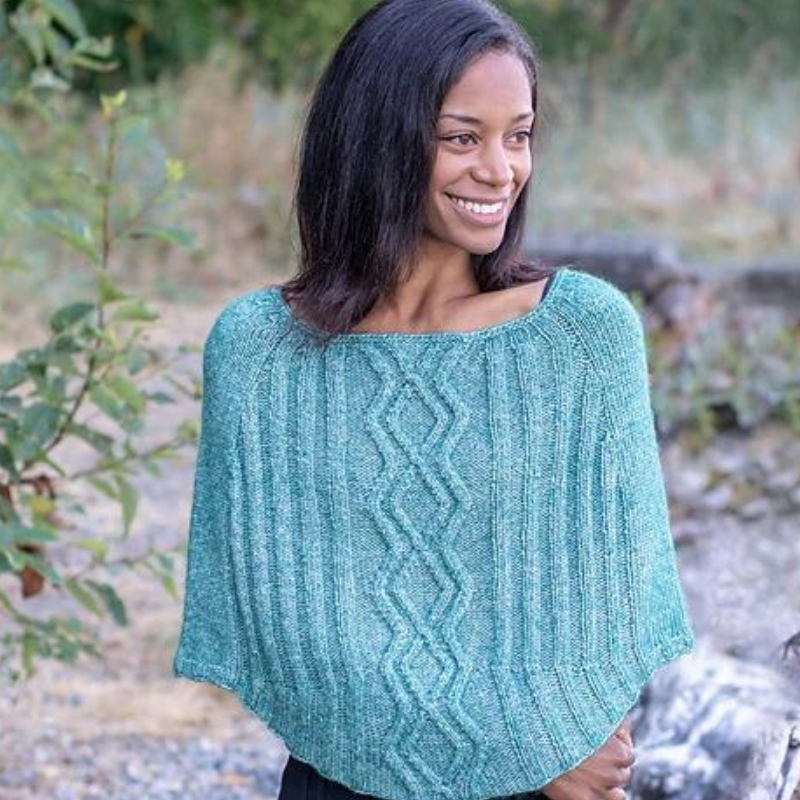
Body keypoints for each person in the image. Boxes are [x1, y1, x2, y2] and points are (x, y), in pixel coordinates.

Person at [172, 1, 696, 799]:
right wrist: (523, 740)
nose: (501, 170)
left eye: (518, 135)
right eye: (462, 138)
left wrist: (565, 732)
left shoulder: (581, 334)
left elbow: (618, 591)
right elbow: (282, 625)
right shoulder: (262, 352)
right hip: (349, 778)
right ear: (377, 139)